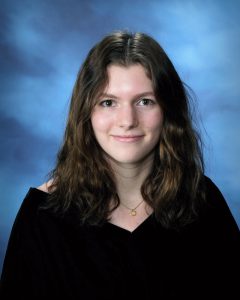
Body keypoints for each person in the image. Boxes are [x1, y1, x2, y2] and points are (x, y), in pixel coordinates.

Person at [0, 30, 239, 300]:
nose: (127, 120)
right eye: (108, 102)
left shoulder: (203, 202)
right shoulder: (42, 215)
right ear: (86, 113)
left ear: (168, 112)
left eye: (144, 101)